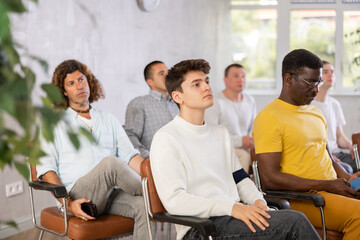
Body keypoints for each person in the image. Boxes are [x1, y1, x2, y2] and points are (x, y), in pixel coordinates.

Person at [150, 59, 320, 240]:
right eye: (196, 84)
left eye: (206, 82)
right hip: (201, 228)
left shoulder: (220, 133)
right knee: (294, 222)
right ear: (177, 96)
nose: (206, 88)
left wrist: (258, 201)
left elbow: (240, 178)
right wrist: (232, 208)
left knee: (283, 215)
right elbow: (175, 201)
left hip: (231, 216)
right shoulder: (166, 138)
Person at [36, 60, 150, 240]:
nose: (79, 86)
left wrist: (149, 170)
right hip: (77, 196)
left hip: (109, 194)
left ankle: (156, 192)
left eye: (81, 80)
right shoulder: (53, 124)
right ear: (63, 92)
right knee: (110, 164)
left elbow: (130, 157)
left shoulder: (108, 119)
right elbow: (47, 170)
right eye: (71, 83)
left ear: (89, 82)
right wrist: (68, 203)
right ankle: (160, 191)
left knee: (145, 206)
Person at [253, 49, 360, 239]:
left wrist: (347, 179)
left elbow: (326, 157)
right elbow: (269, 178)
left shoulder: (316, 113)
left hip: (328, 191)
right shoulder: (269, 117)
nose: (316, 89)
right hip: (303, 199)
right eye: (310, 82)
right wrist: (328, 185)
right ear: (288, 79)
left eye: (318, 82)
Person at [205, 64, 256, 173]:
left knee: (264, 153)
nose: (241, 80)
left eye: (243, 76)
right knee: (243, 156)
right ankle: (240, 189)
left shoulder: (250, 100)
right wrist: (240, 141)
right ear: (226, 80)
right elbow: (212, 135)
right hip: (223, 147)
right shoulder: (215, 102)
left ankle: (262, 188)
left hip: (246, 146)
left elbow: (253, 129)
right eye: (236, 76)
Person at [124, 61, 179, 159]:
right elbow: (130, 136)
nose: (167, 76)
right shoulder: (139, 103)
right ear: (150, 82)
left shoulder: (178, 103)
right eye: (162, 73)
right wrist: (149, 158)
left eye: (168, 73)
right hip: (156, 163)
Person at [312, 60, 356, 174]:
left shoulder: (335, 104)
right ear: (317, 76)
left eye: (332, 72)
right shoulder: (309, 105)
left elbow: (339, 136)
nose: (331, 75)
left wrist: (351, 146)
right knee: (348, 169)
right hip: (322, 155)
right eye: (325, 72)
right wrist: (329, 157)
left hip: (337, 152)